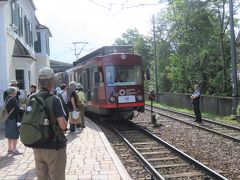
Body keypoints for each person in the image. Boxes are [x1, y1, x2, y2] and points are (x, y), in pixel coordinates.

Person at [33, 67, 67, 180]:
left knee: (41, 178)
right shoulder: (55, 99)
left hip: (37, 146)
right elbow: (63, 125)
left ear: (39, 82)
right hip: (53, 146)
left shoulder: (31, 98)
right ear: (52, 82)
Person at [5, 86, 24, 155]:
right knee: (15, 135)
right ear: (13, 93)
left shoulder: (7, 98)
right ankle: (14, 149)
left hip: (7, 118)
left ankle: (9, 148)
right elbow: (18, 109)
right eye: (15, 92)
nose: (16, 93)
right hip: (13, 119)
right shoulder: (13, 99)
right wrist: (23, 109)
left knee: (9, 134)